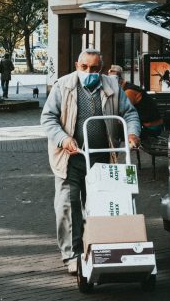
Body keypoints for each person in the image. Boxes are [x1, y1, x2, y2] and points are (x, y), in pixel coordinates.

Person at [40, 49, 141, 275]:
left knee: (101, 205)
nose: (89, 72)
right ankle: (72, 255)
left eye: (95, 68)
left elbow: (130, 114)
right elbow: (48, 118)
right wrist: (63, 138)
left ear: (102, 69)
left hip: (103, 156)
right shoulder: (63, 86)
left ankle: (99, 247)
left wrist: (132, 134)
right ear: (77, 65)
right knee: (68, 205)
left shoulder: (113, 86)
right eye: (85, 67)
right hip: (71, 157)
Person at [108, 64, 164, 138]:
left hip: (151, 128)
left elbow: (124, 112)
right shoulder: (128, 87)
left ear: (119, 80)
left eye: (112, 81)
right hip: (150, 125)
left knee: (115, 132)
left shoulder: (128, 92)